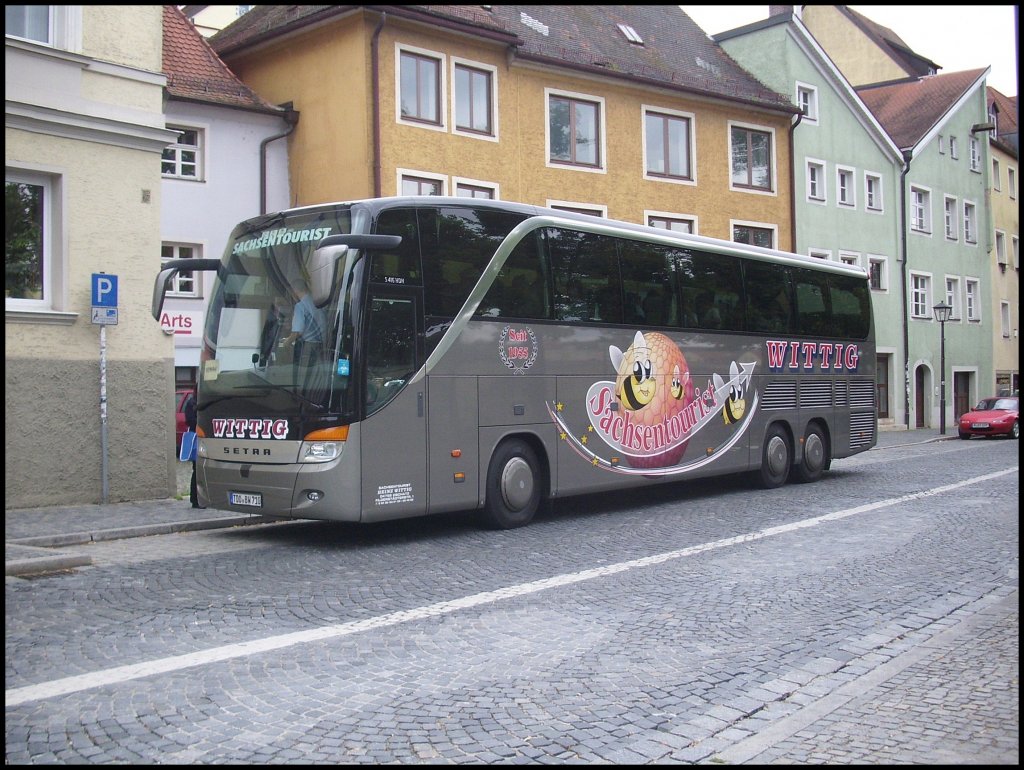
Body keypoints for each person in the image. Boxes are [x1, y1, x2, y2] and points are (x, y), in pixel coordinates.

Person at [284, 282, 325, 368]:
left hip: (308, 348)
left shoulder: (300, 306)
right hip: (323, 346)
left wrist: (287, 342)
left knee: (305, 375)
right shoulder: (319, 303)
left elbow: (298, 331)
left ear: (295, 291)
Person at [183, 388, 203, 508]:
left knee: (197, 470)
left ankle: (196, 498)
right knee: (197, 470)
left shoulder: (195, 402)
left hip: (199, 436)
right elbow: (190, 421)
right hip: (196, 436)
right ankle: (195, 499)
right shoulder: (192, 403)